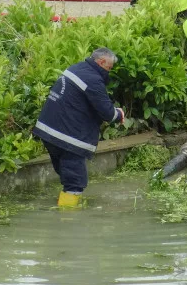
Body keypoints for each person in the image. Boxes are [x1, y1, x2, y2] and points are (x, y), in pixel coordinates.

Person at [33, 48, 126, 208]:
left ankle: (66, 205)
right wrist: (119, 114)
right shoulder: (93, 79)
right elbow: (107, 113)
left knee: (67, 176)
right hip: (67, 137)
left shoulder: (76, 68)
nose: (109, 72)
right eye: (109, 68)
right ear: (102, 62)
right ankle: (68, 221)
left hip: (48, 132)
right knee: (75, 182)